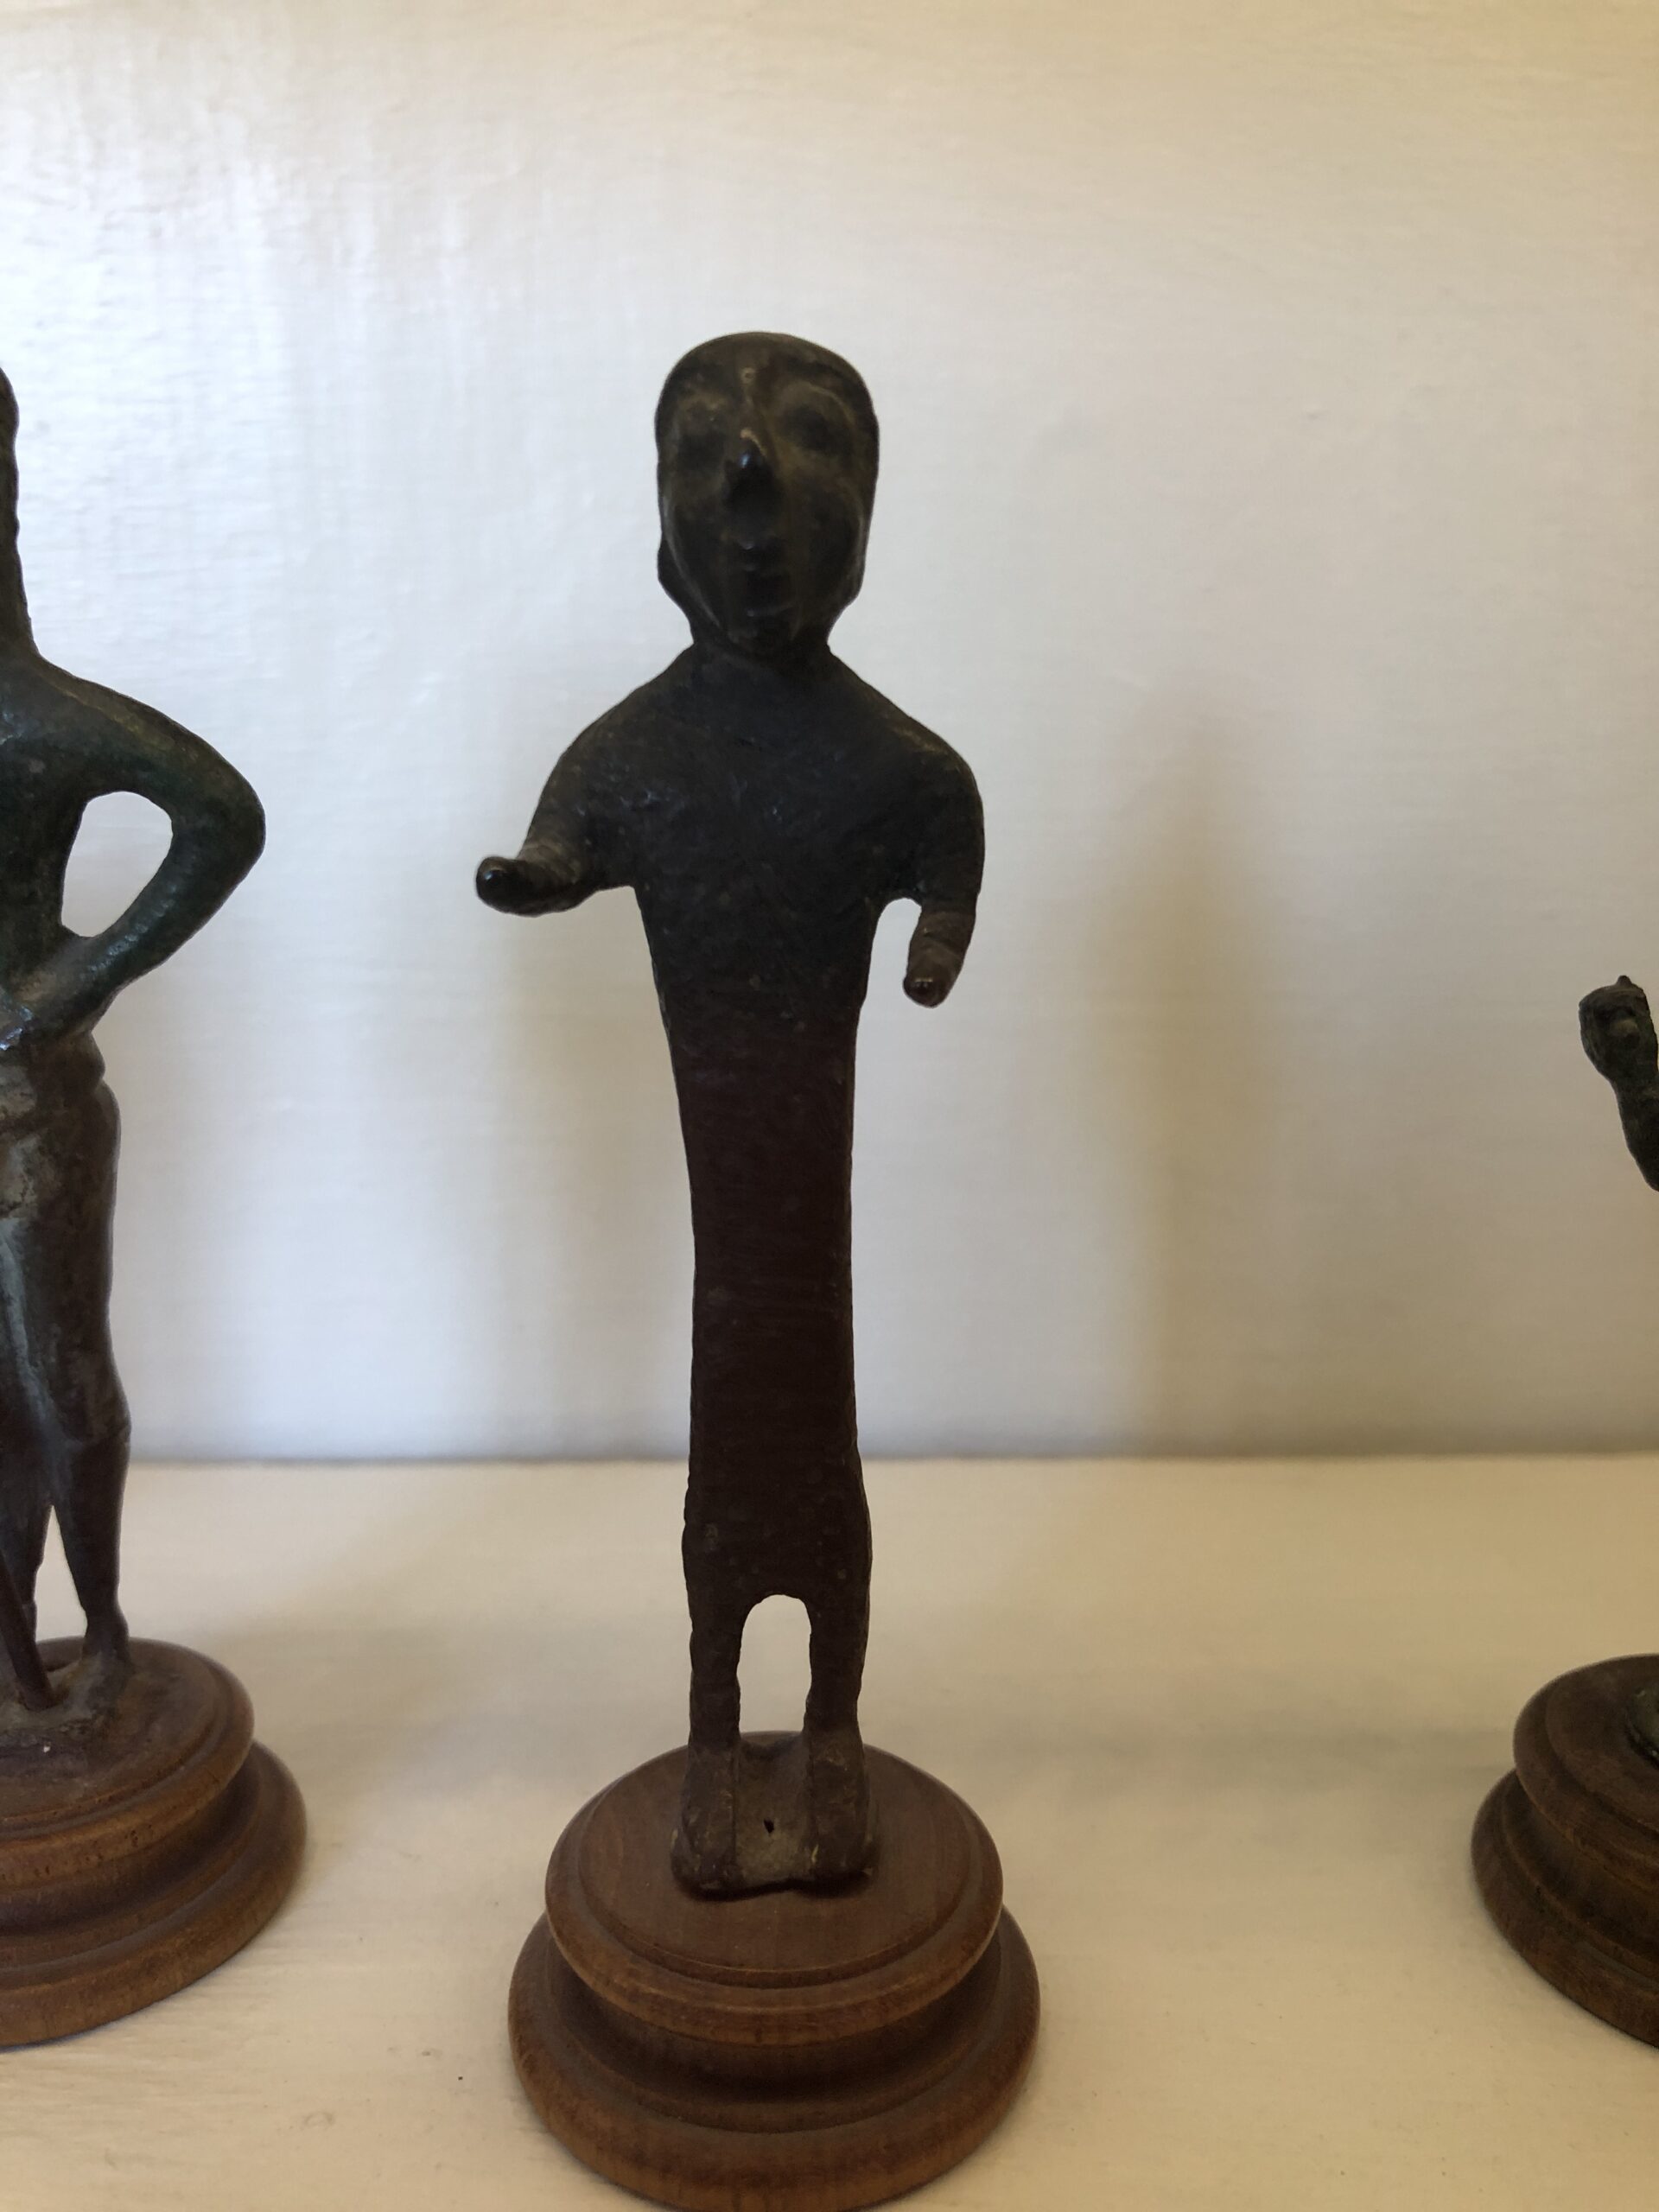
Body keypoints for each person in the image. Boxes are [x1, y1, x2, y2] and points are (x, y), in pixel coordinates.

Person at [480, 333, 983, 1890]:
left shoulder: (887, 764)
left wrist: (941, 930)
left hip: (799, 1184)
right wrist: (546, 874)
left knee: (805, 1431)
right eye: (706, 457)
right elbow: (564, 835)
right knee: (744, 1432)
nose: (752, 493)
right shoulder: (639, 753)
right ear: (664, 514)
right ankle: (715, 1731)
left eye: (809, 447)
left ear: (866, 510)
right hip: (732, 1183)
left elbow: (948, 836)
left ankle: (829, 1725)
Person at [0, 369, 264, 1712]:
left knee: (61, 1382)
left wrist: (71, 982)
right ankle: (17, 1656)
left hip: (34, 1110)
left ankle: (100, 1629)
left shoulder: (41, 720)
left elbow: (220, 817)